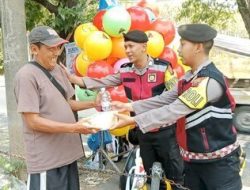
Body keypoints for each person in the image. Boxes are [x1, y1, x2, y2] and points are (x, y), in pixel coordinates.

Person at [110, 24, 242, 190]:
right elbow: (163, 99)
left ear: (198, 47)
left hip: (218, 165)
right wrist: (128, 105)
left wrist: (132, 119)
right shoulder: (189, 78)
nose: (178, 49)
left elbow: (173, 109)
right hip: (193, 161)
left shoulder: (209, 81)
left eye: (183, 44)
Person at [63, 30, 184, 189]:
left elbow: (174, 96)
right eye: (125, 46)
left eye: (131, 46)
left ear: (143, 47)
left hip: (166, 131)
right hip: (142, 131)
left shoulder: (163, 68)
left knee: (176, 177)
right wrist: (73, 79)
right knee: (150, 177)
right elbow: (103, 81)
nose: (127, 50)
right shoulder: (125, 70)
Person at [14, 26, 99, 190]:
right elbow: (33, 122)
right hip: (47, 161)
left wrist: (94, 103)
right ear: (34, 49)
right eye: (50, 48)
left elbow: (68, 103)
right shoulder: (26, 76)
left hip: (68, 155)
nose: (56, 52)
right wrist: (75, 128)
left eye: (58, 47)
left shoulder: (58, 69)